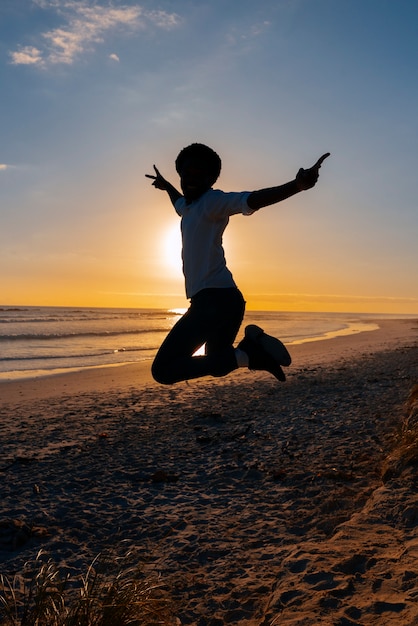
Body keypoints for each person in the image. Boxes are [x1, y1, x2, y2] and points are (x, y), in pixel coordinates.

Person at [146, 143, 329, 385]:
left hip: (214, 302)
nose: (190, 180)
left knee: (164, 370)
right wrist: (166, 186)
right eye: (185, 174)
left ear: (211, 179)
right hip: (228, 301)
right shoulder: (188, 207)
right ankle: (250, 346)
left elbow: (251, 199)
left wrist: (296, 186)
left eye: (198, 174)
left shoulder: (212, 201)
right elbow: (178, 203)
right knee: (219, 364)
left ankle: (251, 354)